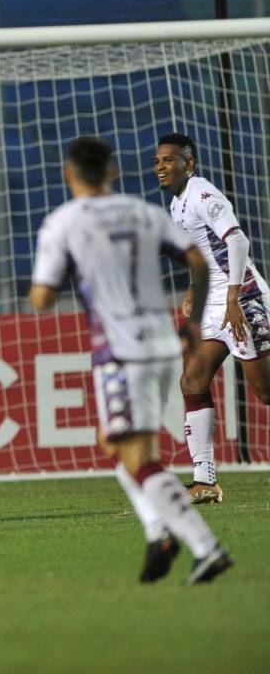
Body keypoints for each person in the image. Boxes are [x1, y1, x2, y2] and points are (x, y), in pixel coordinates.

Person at [30, 136, 231, 584]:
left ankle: (203, 546)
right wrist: (193, 323)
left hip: (121, 352)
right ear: (113, 172)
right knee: (114, 442)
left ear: (69, 174)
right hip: (162, 343)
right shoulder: (146, 212)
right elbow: (198, 260)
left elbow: (42, 297)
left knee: (139, 458)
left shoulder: (63, 222)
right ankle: (159, 530)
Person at [154, 133, 270, 504]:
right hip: (217, 300)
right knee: (192, 380)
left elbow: (236, 241)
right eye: (158, 160)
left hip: (243, 297)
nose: (161, 166)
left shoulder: (204, 195)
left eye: (169, 159)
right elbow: (206, 251)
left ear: (189, 164)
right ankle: (204, 480)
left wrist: (234, 298)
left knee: (266, 392)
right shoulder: (176, 205)